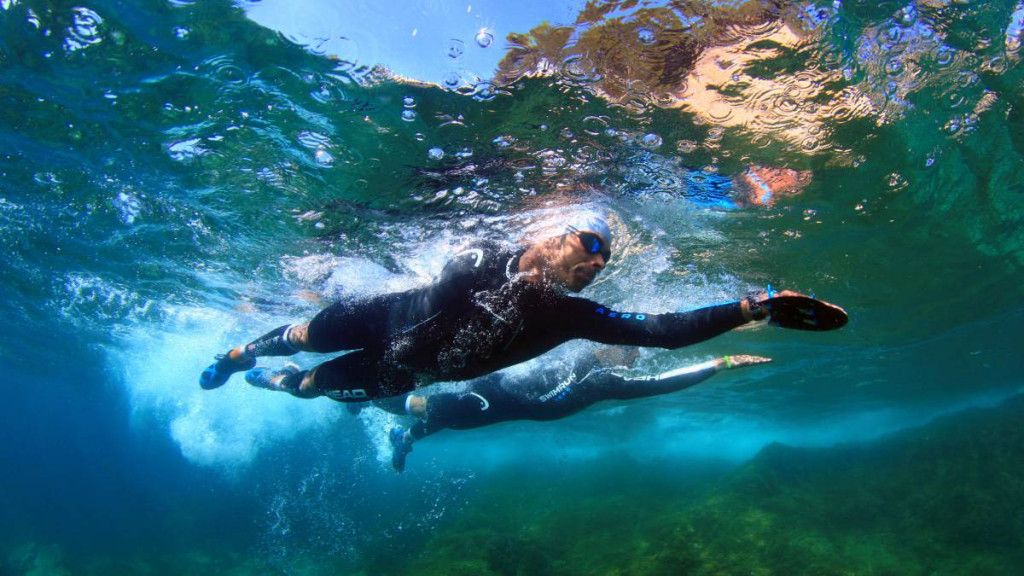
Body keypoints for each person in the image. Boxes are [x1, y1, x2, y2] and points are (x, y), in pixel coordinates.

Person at [199, 211, 841, 401]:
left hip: (402, 374)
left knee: (311, 385)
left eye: (604, 260)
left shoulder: (569, 316)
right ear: (552, 234)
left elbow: (663, 331)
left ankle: (273, 382)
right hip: (379, 315)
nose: (596, 262)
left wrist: (751, 306)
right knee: (305, 332)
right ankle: (238, 356)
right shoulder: (484, 247)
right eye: (591, 245)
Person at [379, 348, 770, 472]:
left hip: (495, 408)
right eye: (629, 352)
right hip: (491, 388)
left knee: (444, 416)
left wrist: (721, 365)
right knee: (427, 407)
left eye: (635, 356)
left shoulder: (609, 384)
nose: (632, 361)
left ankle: (402, 437)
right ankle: (361, 393)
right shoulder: (574, 348)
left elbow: (665, 383)